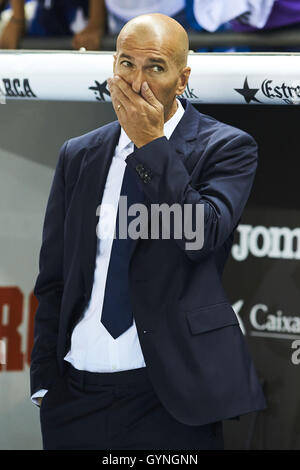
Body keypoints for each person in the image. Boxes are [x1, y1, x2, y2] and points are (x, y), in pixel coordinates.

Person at [30, 13, 266, 450]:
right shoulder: (78, 154)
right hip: (75, 396)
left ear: (182, 79)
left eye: (155, 67)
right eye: (126, 63)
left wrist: (151, 145)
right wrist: (46, 381)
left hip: (168, 399)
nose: (136, 81)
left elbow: (199, 235)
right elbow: (54, 278)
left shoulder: (227, 147)